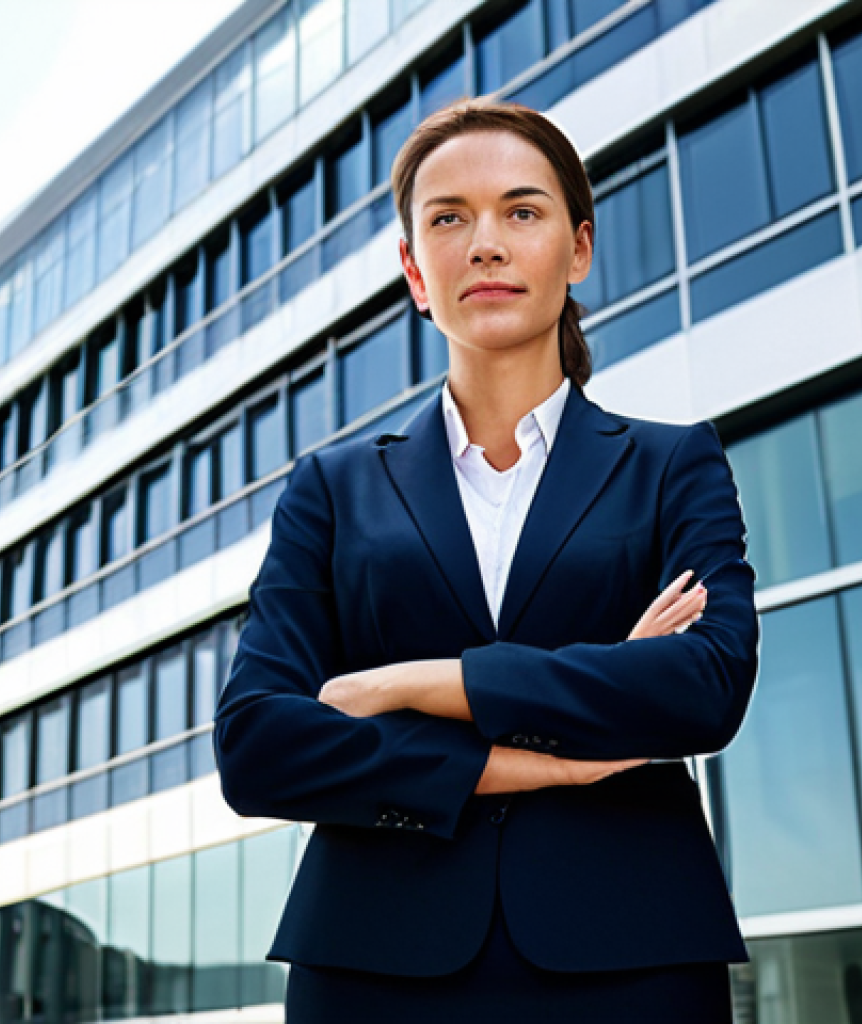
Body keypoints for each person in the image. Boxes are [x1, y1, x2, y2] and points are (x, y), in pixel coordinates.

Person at [213, 95, 759, 1022]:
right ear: (414, 271)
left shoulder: (674, 463)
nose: (487, 244)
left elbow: (705, 685)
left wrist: (412, 683)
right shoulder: (331, 490)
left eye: (522, 210)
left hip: (632, 957)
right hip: (373, 965)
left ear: (578, 249)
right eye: (449, 219)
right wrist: (557, 756)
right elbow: (259, 747)